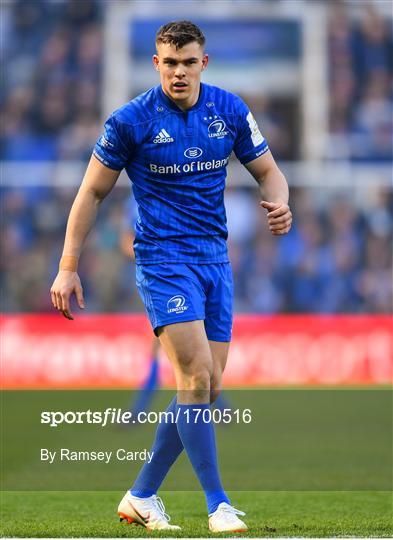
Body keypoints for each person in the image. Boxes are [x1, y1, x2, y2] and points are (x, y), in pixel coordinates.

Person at [50, 20, 292, 532]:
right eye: (169, 62)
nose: (178, 71)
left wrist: (282, 203)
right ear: (156, 63)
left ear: (203, 63)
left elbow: (268, 170)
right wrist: (68, 265)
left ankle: (141, 494)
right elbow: (91, 193)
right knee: (197, 376)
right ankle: (218, 504)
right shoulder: (130, 121)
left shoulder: (229, 110)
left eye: (188, 62)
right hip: (162, 260)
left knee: (203, 385)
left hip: (214, 260)